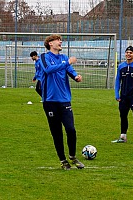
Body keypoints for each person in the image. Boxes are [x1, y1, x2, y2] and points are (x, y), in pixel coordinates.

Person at [39, 34, 84, 170]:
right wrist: (67, 63)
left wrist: (76, 76)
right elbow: (48, 69)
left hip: (64, 100)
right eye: (57, 40)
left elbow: (70, 71)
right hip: (50, 101)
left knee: (71, 129)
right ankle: (63, 160)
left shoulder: (64, 58)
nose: (60, 42)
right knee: (56, 132)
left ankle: (72, 156)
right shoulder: (44, 57)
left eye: (60, 40)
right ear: (50, 43)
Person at [112, 46, 133, 145]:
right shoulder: (121, 66)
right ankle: (123, 137)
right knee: (123, 116)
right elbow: (118, 80)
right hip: (123, 97)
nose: (128, 54)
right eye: (127, 52)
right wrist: (116, 94)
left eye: (130, 52)